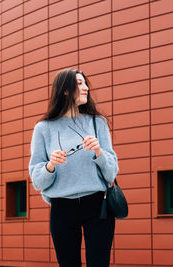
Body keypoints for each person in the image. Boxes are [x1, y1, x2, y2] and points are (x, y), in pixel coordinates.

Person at [29, 68, 119, 267]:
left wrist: (99, 152)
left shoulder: (98, 122)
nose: (86, 88)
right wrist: (50, 165)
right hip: (62, 207)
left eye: (85, 83)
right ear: (65, 90)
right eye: (79, 83)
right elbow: (37, 181)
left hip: (98, 205)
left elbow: (111, 172)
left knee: (99, 264)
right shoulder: (43, 129)